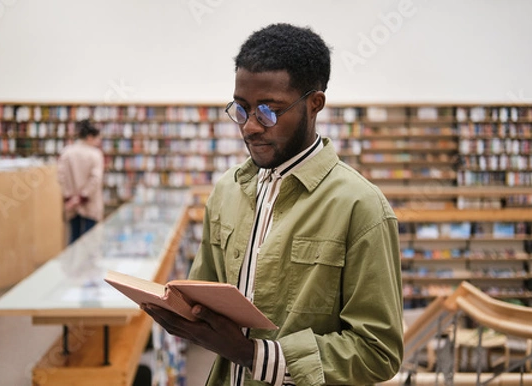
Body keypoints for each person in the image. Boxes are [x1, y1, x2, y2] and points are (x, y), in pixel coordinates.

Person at [143, 23, 403, 385]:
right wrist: (181, 314)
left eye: (268, 111)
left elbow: (378, 353)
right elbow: (208, 292)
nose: (249, 127)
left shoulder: (361, 207)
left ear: (315, 104)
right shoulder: (227, 191)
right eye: (241, 108)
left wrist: (252, 355)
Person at [57, 119, 104, 243]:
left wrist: (70, 199)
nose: (99, 141)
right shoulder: (95, 154)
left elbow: (61, 177)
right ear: (89, 137)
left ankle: (72, 262)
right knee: (90, 240)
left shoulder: (66, 152)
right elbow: (95, 179)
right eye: (97, 138)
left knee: (73, 238)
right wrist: (81, 197)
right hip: (90, 203)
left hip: (70, 204)